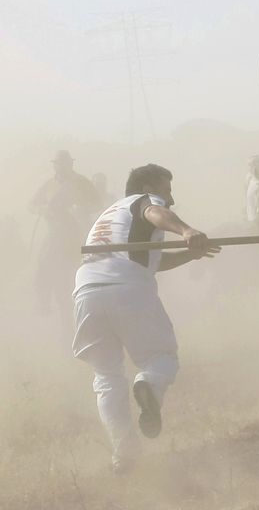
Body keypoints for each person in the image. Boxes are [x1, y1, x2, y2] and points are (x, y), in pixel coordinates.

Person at [73, 164, 219, 474]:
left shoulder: (110, 215)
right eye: (168, 190)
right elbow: (155, 213)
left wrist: (189, 255)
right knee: (161, 358)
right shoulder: (144, 202)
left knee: (106, 377)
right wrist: (186, 231)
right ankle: (149, 385)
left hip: (86, 291)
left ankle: (124, 454)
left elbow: (149, 260)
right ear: (150, 188)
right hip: (127, 287)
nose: (172, 199)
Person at [29, 150, 100, 320]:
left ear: (70, 164)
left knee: (90, 264)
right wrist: (41, 209)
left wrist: (81, 208)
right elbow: (31, 204)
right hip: (55, 232)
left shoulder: (82, 182)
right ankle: (43, 302)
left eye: (64, 164)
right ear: (55, 165)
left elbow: (97, 202)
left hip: (78, 231)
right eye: (58, 164)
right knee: (42, 264)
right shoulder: (49, 185)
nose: (61, 167)